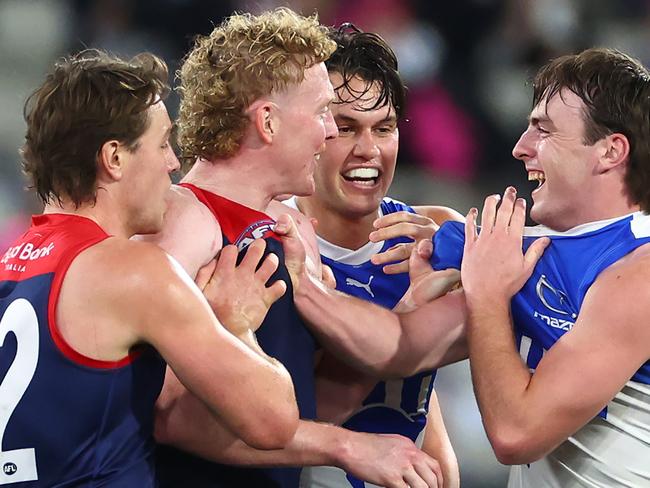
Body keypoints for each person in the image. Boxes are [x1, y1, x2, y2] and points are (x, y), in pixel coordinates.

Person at [278, 47, 650, 487]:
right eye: (344, 126)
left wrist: (486, 294)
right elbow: (404, 349)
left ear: (610, 151)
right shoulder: (504, 248)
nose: (519, 148)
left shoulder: (637, 273)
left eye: (543, 131)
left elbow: (516, 433)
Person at [148, 8, 443, 488]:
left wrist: (403, 314)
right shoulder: (183, 222)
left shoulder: (290, 229)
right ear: (267, 120)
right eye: (325, 113)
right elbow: (166, 416)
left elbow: (300, 411)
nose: (329, 133)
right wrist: (348, 446)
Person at [0, 49, 299, 487]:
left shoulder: (10, 266)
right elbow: (274, 422)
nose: (174, 163)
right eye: (162, 143)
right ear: (114, 158)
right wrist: (236, 324)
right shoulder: (135, 272)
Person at [281, 25, 462, 488]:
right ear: (312, 129)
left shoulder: (435, 232)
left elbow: (422, 401)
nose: (369, 150)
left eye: (384, 129)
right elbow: (280, 425)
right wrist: (405, 325)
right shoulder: (276, 241)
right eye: (345, 128)